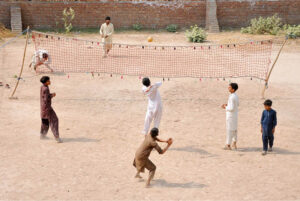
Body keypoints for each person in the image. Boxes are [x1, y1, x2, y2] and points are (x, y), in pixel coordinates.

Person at [40, 76, 62, 143]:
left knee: (45, 122)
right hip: (47, 108)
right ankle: (57, 137)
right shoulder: (46, 89)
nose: (50, 81)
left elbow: (44, 97)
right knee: (54, 120)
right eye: (48, 80)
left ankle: (42, 135)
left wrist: (50, 95)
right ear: (46, 82)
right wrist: (52, 95)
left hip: (42, 107)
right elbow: (46, 99)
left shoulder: (42, 87)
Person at [222, 83, 239, 150]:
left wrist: (225, 107)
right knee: (234, 130)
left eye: (229, 87)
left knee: (229, 130)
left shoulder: (232, 97)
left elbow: (231, 108)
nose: (228, 88)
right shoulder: (235, 96)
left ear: (233, 89)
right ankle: (234, 143)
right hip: (235, 115)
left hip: (231, 116)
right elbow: (237, 104)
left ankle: (228, 145)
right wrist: (228, 105)